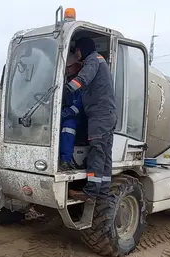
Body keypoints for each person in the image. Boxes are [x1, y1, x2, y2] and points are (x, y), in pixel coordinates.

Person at [65, 37, 117, 202]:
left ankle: (91, 192)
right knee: (104, 153)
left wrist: (66, 89)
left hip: (100, 115)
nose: (77, 54)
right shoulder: (100, 60)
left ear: (82, 49)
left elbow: (84, 78)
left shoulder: (93, 60)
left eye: (77, 51)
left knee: (96, 152)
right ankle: (102, 191)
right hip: (106, 115)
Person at [59, 52, 85, 171]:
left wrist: (68, 112)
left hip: (82, 116)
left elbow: (81, 103)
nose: (67, 69)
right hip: (69, 112)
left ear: (77, 65)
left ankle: (65, 160)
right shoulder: (66, 80)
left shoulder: (83, 80)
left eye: (69, 67)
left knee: (68, 126)